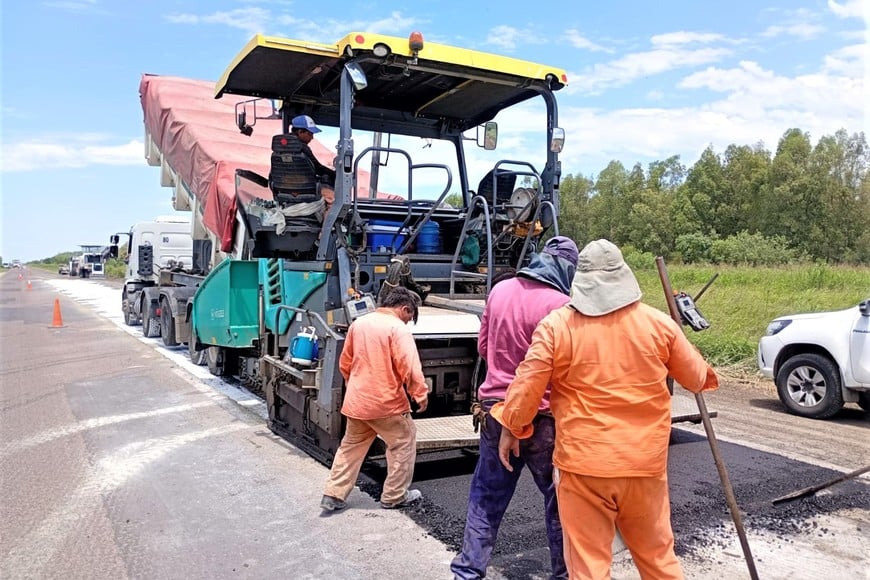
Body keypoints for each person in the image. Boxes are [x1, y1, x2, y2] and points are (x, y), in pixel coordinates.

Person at [490, 239, 720, 579]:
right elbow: (698, 379)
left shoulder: (557, 327)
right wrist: (679, 337)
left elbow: (525, 391)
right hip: (644, 466)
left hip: (583, 468)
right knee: (658, 558)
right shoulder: (658, 324)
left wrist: (513, 427)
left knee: (589, 567)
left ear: (579, 280)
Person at [450, 236, 580, 580]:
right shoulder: (563, 305)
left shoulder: (500, 290)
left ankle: (467, 572)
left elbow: (482, 346)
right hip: (545, 420)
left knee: (487, 497)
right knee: (559, 503)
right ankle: (563, 574)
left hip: (496, 411)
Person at [320, 286, 428, 512]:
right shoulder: (397, 328)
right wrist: (420, 394)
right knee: (402, 443)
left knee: (350, 447)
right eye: (410, 317)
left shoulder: (359, 324)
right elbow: (409, 366)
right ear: (404, 308)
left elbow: (345, 363)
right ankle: (394, 496)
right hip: (386, 404)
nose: (409, 322)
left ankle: (333, 494)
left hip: (357, 403)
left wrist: (356, 387)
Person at [290, 115, 336, 207]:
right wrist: (335, 174)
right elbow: (318, 168)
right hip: (304, 189)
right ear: (300, 132)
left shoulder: (281, 147)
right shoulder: (301, 147)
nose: (312, 138)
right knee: (332, 201)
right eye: (310, 134)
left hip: (284, 189)